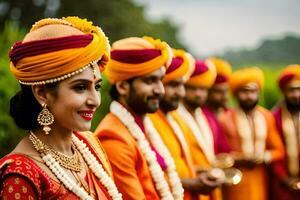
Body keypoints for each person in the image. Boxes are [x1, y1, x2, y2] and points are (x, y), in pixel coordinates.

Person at [0, 17, 122, 200]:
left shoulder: (89, 145)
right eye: (80, 87)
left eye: (96, 87)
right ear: (42, 93)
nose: (95, 100)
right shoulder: (20, 175)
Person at [94, 37, 184, 200]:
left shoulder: (144, 127)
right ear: (122, 87)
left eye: (161, 80)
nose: (160, 90)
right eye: (150, 81)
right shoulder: (113, 137)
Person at [146, 51, 223, 200]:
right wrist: (191, 183)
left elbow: (184, 164)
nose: (180, 93)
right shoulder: (148, 122)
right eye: (174, 85)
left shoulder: (176, 118)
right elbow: (149, 175)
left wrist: (203, 173)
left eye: (182, 85)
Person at [219, 67, 285, 200]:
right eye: (244, 91)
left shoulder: (267, 116)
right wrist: (238, 159)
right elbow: (218, 154)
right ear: (235, 93)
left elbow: (279, 150)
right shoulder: (225, 119)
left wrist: (263, 157)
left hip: (262, 180)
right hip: (235, 181)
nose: (249, 96)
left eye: (253, 91)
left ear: (259, 92)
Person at [181, 59, 230, 160]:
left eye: (203, 89)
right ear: (184, 88)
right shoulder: (176, 117)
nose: (198, 94)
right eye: (193, 88)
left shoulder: (208, 117)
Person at [272, 64, 300, 200]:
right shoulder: (274, 118)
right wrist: (284, 178)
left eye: (299, 89)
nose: (296, 95)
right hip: (282, 184)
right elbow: (274, 150)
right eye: (291, 90)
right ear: (283, 91)